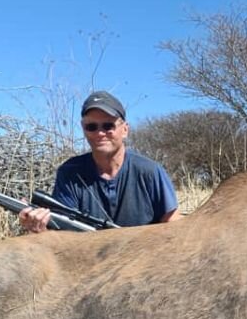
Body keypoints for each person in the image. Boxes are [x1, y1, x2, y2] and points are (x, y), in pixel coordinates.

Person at [19, 91, 179, 232]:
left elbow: (173, 226)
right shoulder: (69, 172)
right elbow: (62, 237)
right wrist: (39, 228)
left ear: (125, 129)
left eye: (108, 126)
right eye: (92, 127)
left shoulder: (150, 172)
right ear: (83, 129)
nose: (100, 133)